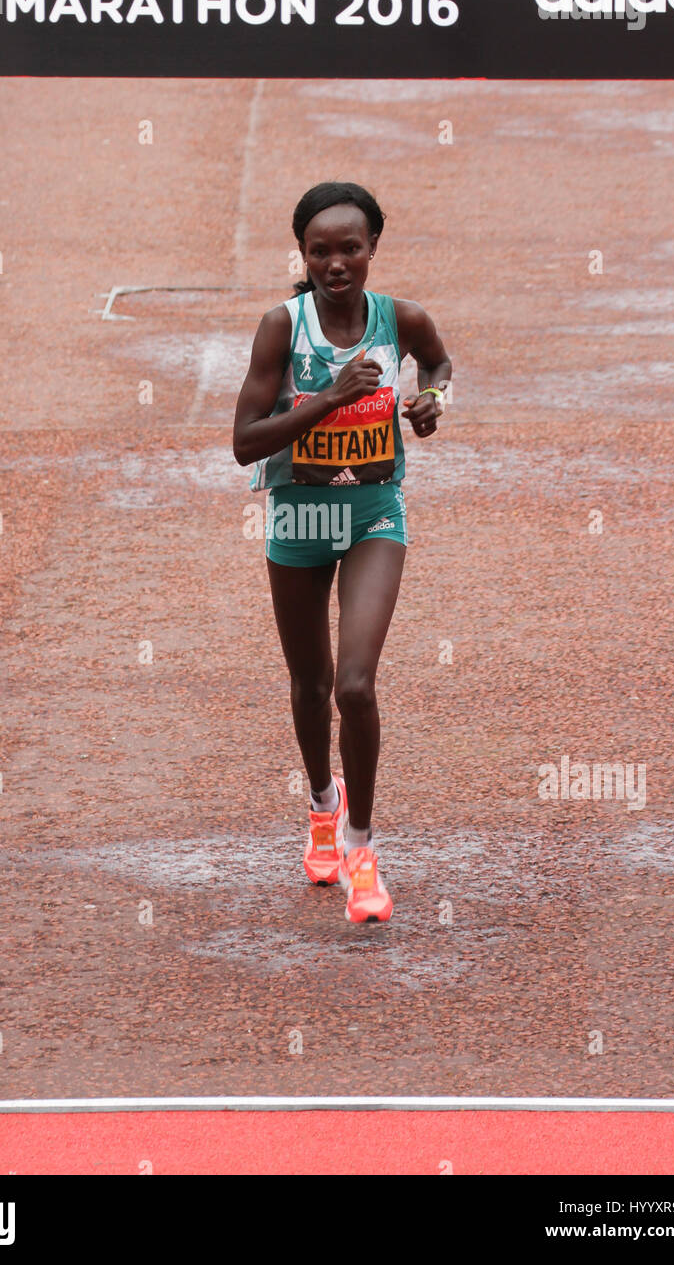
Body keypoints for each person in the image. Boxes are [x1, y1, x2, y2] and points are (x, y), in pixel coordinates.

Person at [232, 181, 452, 922]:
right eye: (320, 250)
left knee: (356, 685)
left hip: (372, 516)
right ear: (303, 254)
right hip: (298, 517)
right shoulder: (280, 327)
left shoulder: (402, 318)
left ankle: (361, 848)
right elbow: (244, 443)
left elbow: (439, 366)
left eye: (349, 248)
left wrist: (432, 404)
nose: (336, 263)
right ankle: (323, 807)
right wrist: (327, 397)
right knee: (311, 686)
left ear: (372, 250)